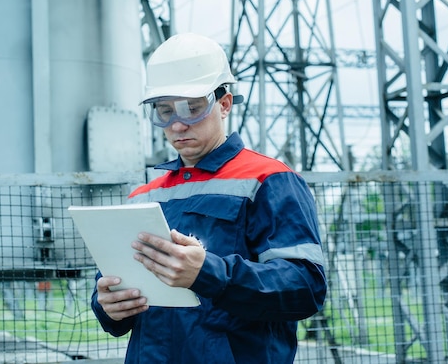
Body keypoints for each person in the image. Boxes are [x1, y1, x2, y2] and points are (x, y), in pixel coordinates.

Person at [91, 32, 327, 363]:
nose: (177, 125)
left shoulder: (269, 180)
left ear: (224, 104)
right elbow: (120, 300)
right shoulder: (144, 195)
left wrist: (210, 274)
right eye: (164, 111)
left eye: (192, 109)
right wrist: (108, 306)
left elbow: (305, 287)